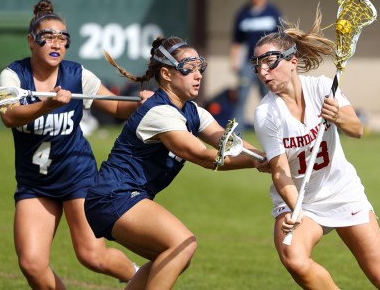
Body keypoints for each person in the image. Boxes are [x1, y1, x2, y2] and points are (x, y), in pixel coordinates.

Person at [84, 36, 269, 289]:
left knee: (172, 255)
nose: (198, 75)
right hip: (114, 195)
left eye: (199, 68)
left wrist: (267, 156)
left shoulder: (194, 112)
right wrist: (258, 164)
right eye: (188, 69)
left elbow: (229, 142)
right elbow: (203, 156)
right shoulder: (160, 113)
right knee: (182, 244)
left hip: (121, 196)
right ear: (166, 74)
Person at [251, 6, 380, 289]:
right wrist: (295, 210)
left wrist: (338, 116)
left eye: (270, 62)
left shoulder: (323, 88)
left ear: (292, 61)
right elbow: (279, 172)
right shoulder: (266, 114)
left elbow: (357, 130)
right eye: (258, 64)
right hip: (301, 201)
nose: (263, 71)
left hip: (341, 191)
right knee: (295, 260)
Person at [0, 0, 152, 289]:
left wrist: (141, 105)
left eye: (63, 38)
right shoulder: (13, 76)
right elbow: (10, 117)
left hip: (76, 176)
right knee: (31, 264)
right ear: (31, 41)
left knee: (92, 256)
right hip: (35, 182)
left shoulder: (77, 75)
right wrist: (48, 104)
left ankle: (137, 274)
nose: (56, 44)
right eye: (48, 38)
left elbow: (117, 108)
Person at [230, 0, 281, 132]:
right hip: (249, 62)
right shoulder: (243, 14)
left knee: (269, 96)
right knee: (241, 97)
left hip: (268, 63)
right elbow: (237, 40)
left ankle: (274, 130)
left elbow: (281, 39)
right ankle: (235, 135)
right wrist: (234, 60)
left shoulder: (273, 12)